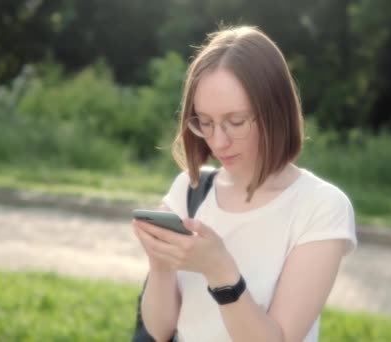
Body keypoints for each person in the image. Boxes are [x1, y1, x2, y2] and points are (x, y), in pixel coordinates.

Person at [132, 25, 357, 342]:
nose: (218, 141)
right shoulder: (191, 189)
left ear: (275, 112)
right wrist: (161, 264)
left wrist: (220, 270)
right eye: (205, 123)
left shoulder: (320, 207)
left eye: (235, 122)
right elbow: (159, 329)